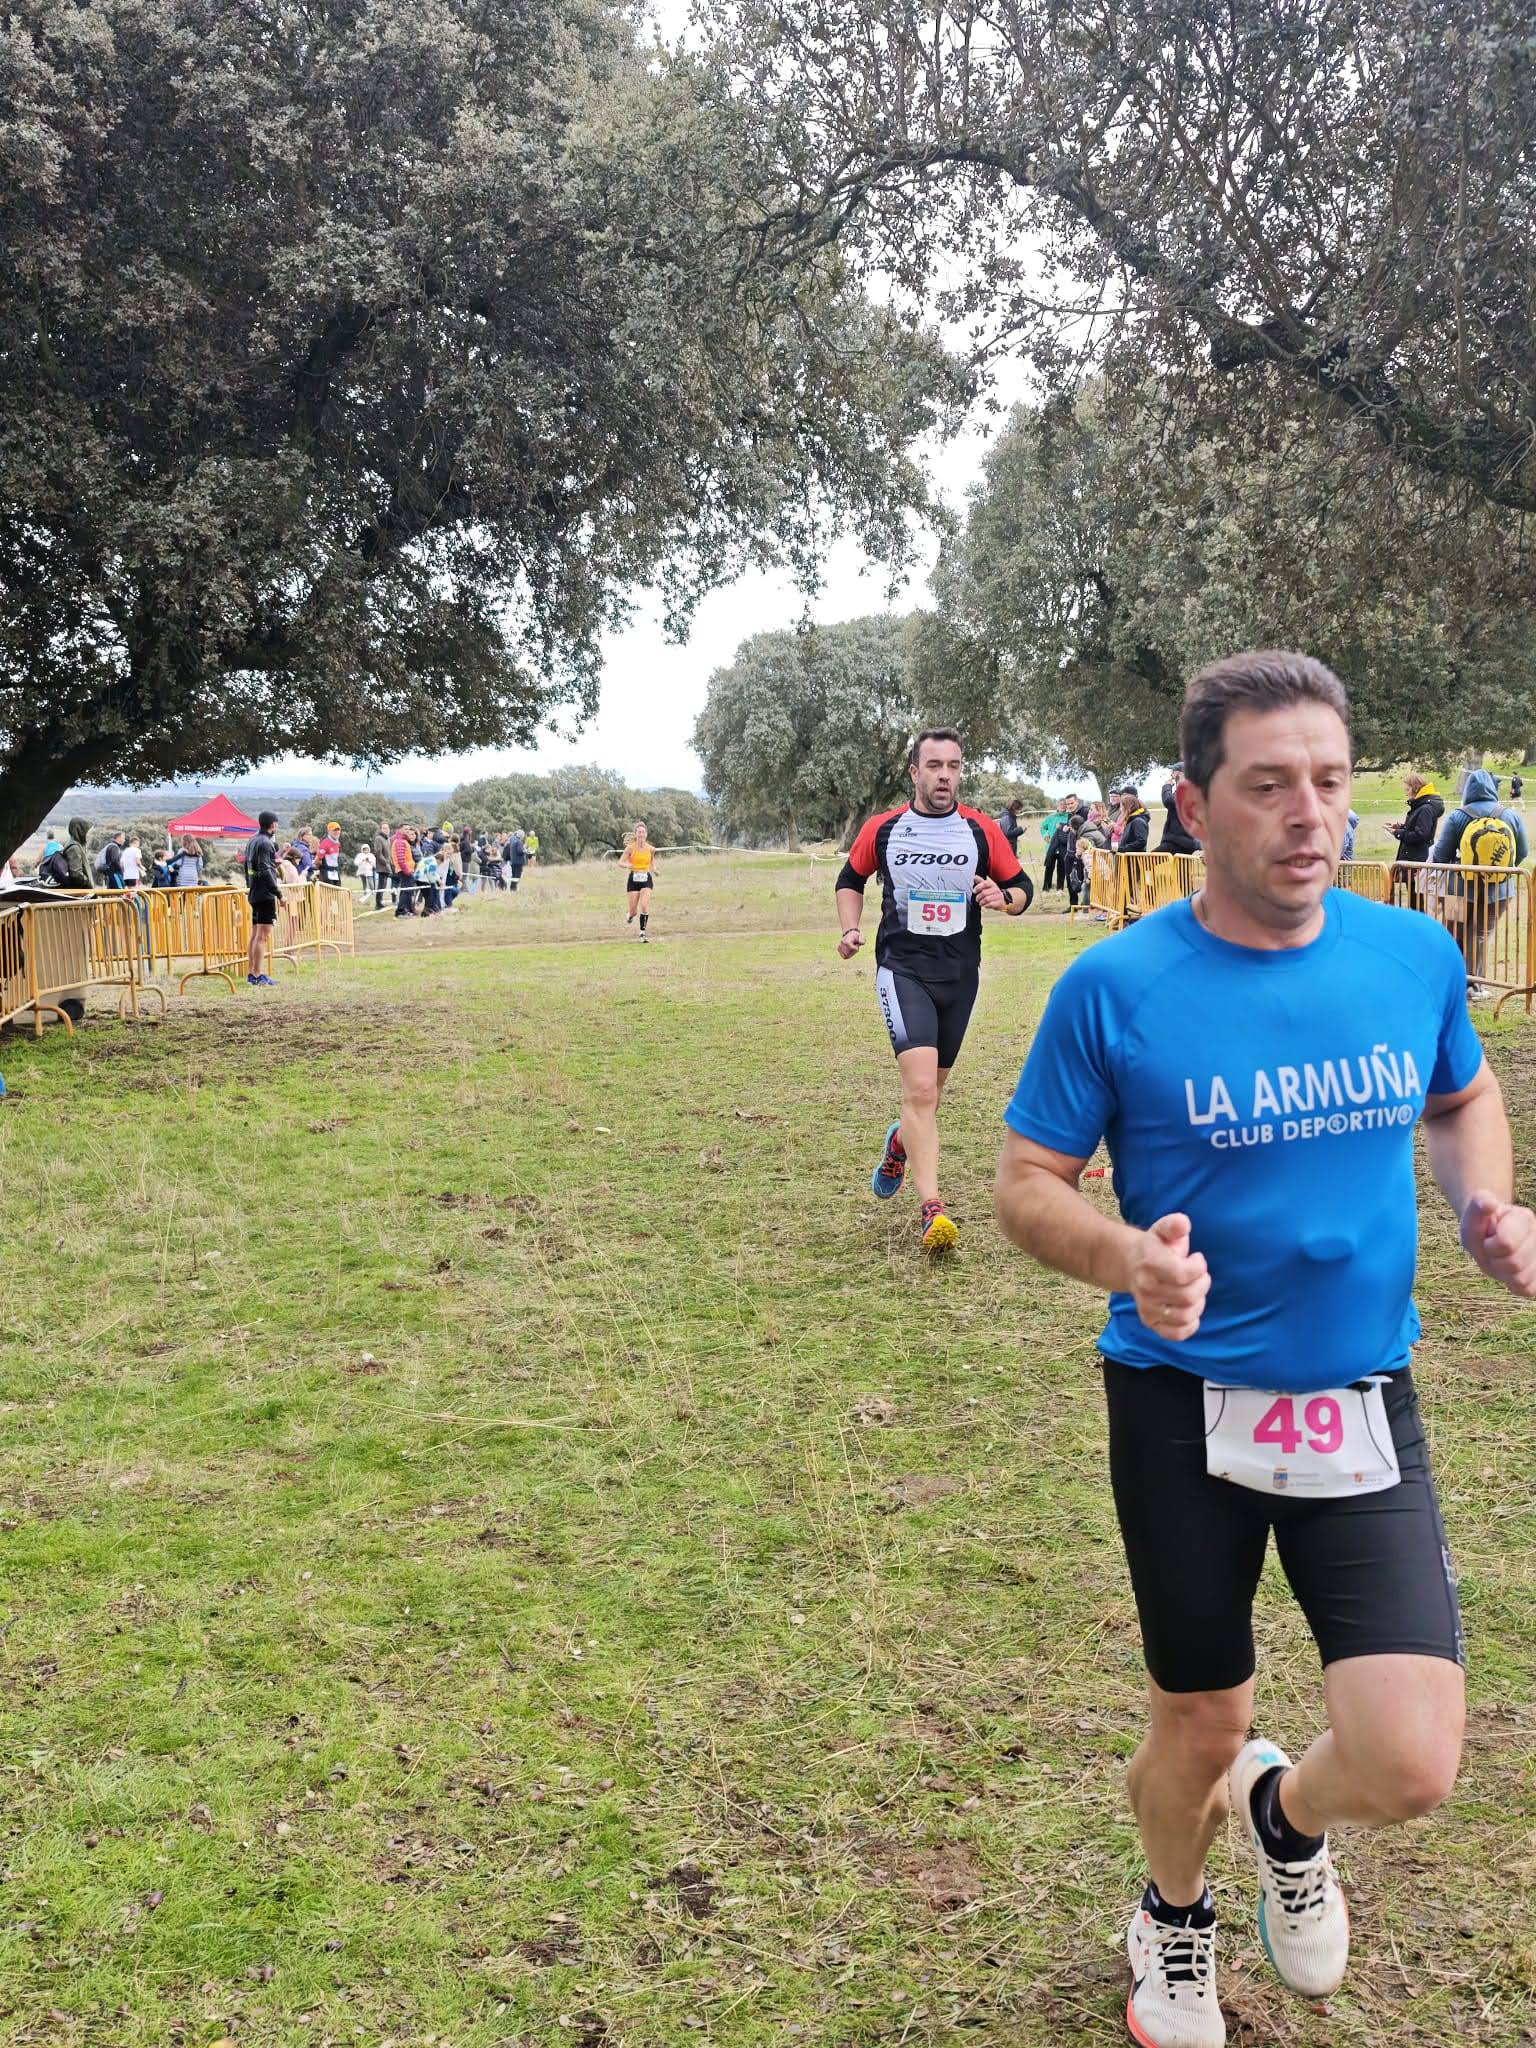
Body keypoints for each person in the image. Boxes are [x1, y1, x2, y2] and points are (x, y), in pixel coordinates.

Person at [993, 649, 1536, 2048]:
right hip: (1183, 1404)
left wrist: (1488, 1202)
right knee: (1201, 1719)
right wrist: (1125, 1259)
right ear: (1193, 805)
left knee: (1412, 1761)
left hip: (1362, 1394)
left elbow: (1463, 1094)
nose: (1310, 814)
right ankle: (1171, 1917)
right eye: (1269, 784)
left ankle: (1287, 1820)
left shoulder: (1410, 954)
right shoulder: (1116, 987)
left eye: (1331, 782)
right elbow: (1028, 1183)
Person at [837, 726, 1033, 1252]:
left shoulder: (980, 829)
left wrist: (1003, 898)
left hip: (960, 976)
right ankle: (932, 1210)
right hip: (902, 970)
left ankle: (899, 1142)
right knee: (921, 1090)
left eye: (954, 766)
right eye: (934, 766)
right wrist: (850, 929)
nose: (945, 776)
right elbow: (850, 879)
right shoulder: (884, 829)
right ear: (915, 772)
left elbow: (1022, 888)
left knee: (931, 1094)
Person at [1429, 767, 1529, 998]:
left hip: (1458, 888)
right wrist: (1500, 870)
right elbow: (1522, 851)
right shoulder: (1510, 815)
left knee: (1453, 932)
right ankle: (1474, 985)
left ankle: (1449, 983)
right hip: (1499, 890)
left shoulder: (1457, 816)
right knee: (1481, 934)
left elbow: (1440, 855)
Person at [244, 810, 281, 986]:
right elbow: (265, 870)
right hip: (265, 894)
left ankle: (251, 973)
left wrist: (249, 885)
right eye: (277, 824)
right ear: (273, 825)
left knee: (254, 935)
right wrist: (278, 893)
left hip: (254, 891)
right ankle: (258, 975)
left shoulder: (252, 840)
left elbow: (247, 867)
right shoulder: (266, 843)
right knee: (262, 937)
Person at [1387, 773, 1444, 870]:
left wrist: (1398, 833)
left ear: (1416, 789)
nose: (1406, 793)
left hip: (1416, 862)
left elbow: (1420, 835)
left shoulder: (1425, 809)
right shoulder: (1420, 806)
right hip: (1414, 859)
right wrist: (1401, 827)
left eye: (1407, 790)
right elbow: (1417, 828)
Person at [1157, 762, 1200, 856]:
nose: (1171, 774)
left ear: (1180, 773)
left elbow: (1168, 801)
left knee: (1146, 861)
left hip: (1179, 841)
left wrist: (1166, 787)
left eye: (1173, 771)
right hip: (1179, 840)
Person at [623, 821, 657, 939]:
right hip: (633, 879)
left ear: (646, 834)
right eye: (639, 832)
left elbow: (652, 862)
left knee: (644, 905)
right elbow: (620, 862)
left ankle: (642, 933)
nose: (641, 834)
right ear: (636, 834)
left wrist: (654, 869)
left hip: (646, 879)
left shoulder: (651, 849)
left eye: (643, 832)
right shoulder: (630, 848)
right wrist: (628, 865)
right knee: (633, 911)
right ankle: (630, 915)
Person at [1043, 797, 1081, 894]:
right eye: (1061, 805)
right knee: (1049, 867)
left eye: (1065, 805)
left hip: (1063, 846)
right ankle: (1046, 888)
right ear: (1057, 806)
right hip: (1051, 846)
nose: (1063, 806)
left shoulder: (1069, 817)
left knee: (1062, 867)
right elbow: (1043, 827)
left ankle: (1060, 888)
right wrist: (1045, 834)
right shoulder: (1050, 817)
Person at [1114, 784, 1152, 855]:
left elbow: (1141, 841)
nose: (1121, 809)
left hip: (1135, 859)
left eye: (1122, 806)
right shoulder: (1132, 819)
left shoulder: (1138, 821)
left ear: (1129, 807)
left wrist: (1122, 849)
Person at [391, 825, 416, 917]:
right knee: (406, 891)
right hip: (404, 870)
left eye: (409, 829)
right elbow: (401, 859)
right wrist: (407, 871)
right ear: (399, 830)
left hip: (406, 869)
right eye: (405, 829)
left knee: (406, 891)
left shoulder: (403, 841)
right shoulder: (399, 841)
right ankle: (400, 911)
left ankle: (407, 910)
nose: (408, 831)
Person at [371, 823, 393, 911]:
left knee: (384, 885)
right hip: (382, 866)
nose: (386, 830)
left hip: (388, 865)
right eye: (384, 828)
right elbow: (378, 853)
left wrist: (390, 863)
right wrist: (386, 863)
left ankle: (380, 902)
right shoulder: (378, 838)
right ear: (380, 829)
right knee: (381, 885)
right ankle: (378, 903)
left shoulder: (388, 839)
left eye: (387, 828)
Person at [316, 823, 343, 889]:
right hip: (326, 872)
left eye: (338, 830)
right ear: (329, 831)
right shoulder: (325, 843)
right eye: (334, 830)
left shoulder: (337, 843)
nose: (336, 832)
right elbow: (318, 859)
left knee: (337, 891)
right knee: (328, 892)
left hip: (335, 871)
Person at [507, 828, 527, 892]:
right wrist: (525, 851)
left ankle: (512, 888)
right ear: (521, 836)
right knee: (517, 876)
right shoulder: (519, 842)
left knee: (513, 875)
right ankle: (514, 889)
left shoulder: (512, 839)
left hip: (513, 861)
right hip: (518, 862)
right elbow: (520, 851)